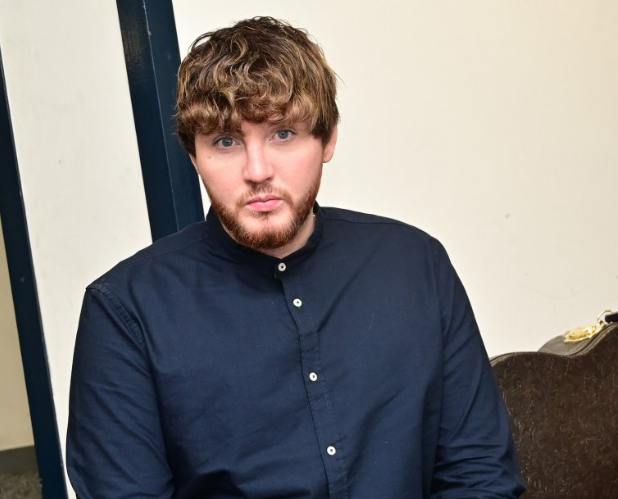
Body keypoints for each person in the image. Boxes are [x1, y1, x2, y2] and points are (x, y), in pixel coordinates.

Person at [66, 16, 525, 499]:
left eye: (283, 134)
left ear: (327, 140)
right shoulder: (125, 311)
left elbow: (480, 476)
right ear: (193, 156)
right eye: (225, 142)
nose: (257, 171)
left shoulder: (416, 266)